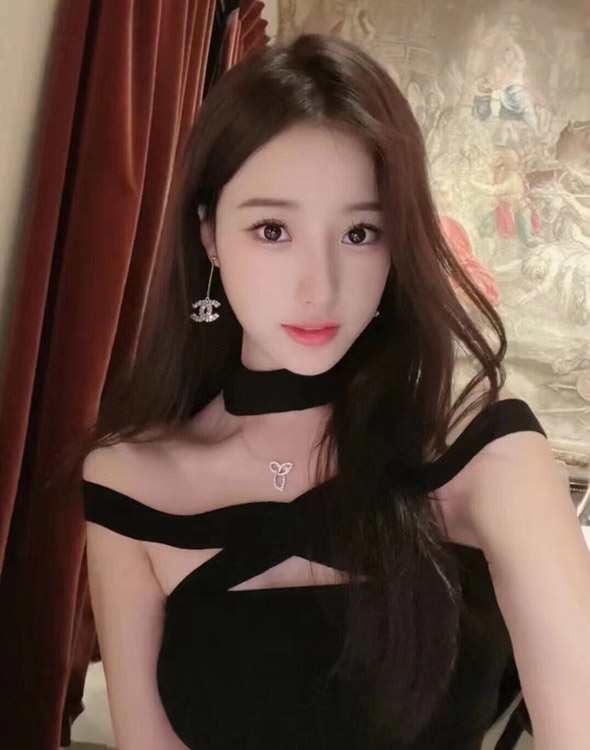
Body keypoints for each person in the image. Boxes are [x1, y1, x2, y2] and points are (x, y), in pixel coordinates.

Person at [79, 33, 590, 750]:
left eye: (359, 233)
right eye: (272, 229)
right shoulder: (128, 482)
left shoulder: (488, 456)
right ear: (209, 234)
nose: (318, 287)